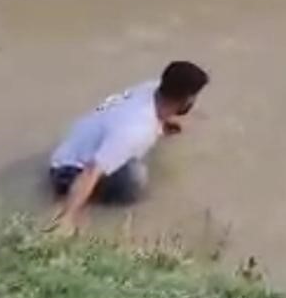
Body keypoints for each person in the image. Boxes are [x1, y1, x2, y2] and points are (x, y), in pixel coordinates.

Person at [47, 60, 209, 234]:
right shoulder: (136, 130)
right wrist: (68, 216)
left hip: (73, 143)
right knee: (135, 181)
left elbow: (114, 106)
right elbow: (91, 170)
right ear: (188, 99)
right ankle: (75, 203)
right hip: (68, 172)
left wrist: (164, 124)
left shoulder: (149, 87)